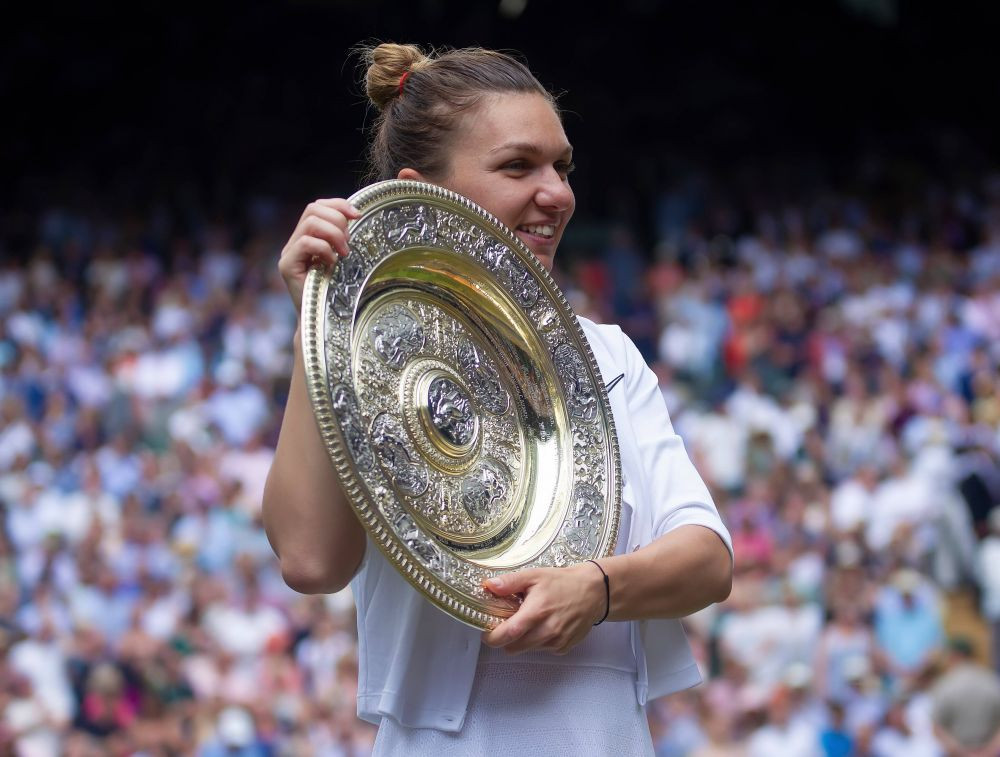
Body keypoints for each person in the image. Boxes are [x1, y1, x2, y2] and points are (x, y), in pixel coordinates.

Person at [263, 42, 733, 754]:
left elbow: (707, 557)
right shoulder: (363, 344)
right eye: (519, 166)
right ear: (429, 191)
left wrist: (597, 588)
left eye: (562, 166)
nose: (557, 193)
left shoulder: (609, 356)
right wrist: (318, 322)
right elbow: (308, 560)